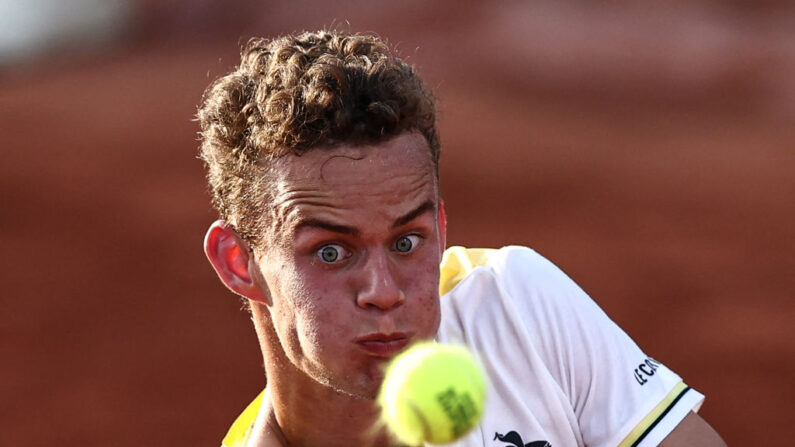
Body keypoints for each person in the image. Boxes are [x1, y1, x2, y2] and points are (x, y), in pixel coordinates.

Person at [197, 30, 726, 447]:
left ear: (442, 229)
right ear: (239, 262)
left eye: (408, 242)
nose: (383, 292)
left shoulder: (513, 302)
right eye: (331, 252)